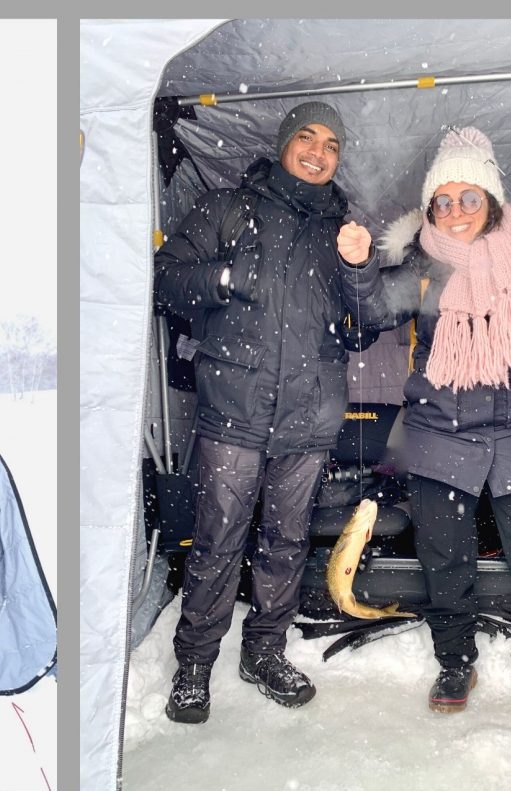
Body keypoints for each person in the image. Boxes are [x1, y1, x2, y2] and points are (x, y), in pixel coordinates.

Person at [336, 126, 511, 734]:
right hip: (436, 434)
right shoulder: (420, 267)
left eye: (468, 198)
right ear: (430, 209)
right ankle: (455, 661)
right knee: (443, 561)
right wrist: (357, 267)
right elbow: (370, 312)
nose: (454, 212)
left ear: (492, 202)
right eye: (442, 201)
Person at [154, 102, 377, 723]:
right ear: (284, 143)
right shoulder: (229, 207)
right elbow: (163, 277)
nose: (318, 150)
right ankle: (195, 665)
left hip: (308, 418)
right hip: (234, 410)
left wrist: (359, 269)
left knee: (286, 542)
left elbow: (364, 329)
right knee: (218, 541)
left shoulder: (343, 231)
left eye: (331, 143)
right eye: (306, 136)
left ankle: (265, 652)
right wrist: (224, 276)